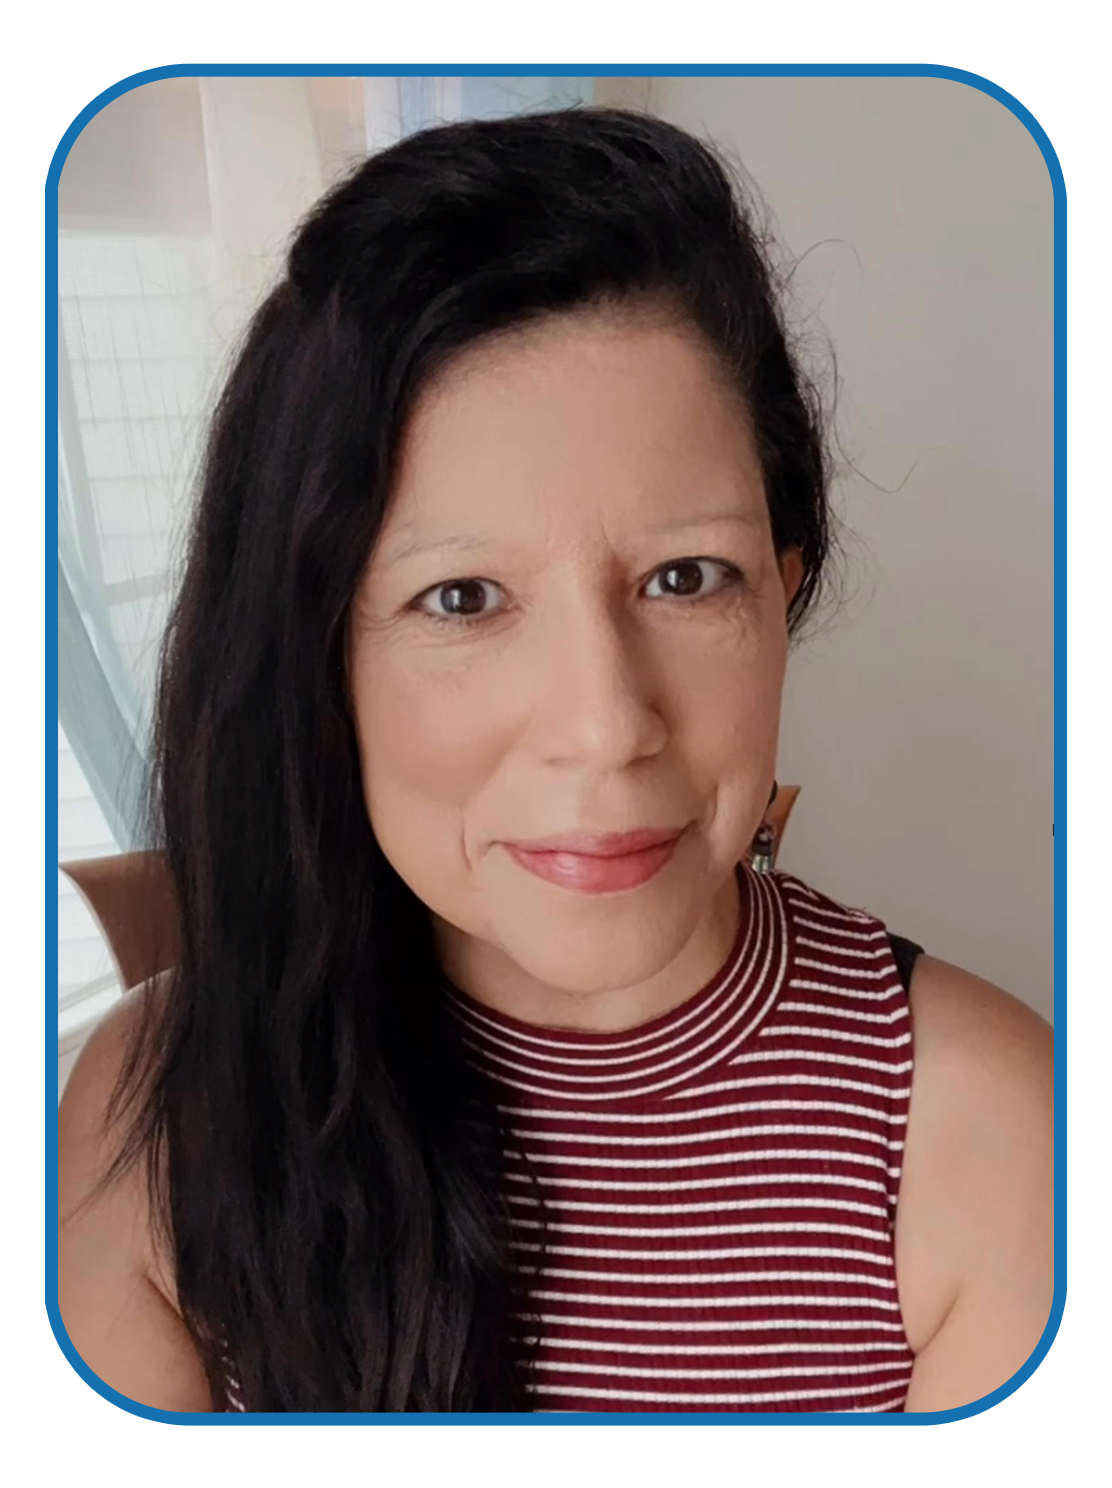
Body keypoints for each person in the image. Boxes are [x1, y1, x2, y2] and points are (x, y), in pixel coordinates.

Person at [57, 106, 1052, 1415]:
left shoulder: (989, 1136)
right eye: (462, 598)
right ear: (317, 656)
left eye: (687, 578)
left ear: (783, 591)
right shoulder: (156, 1120)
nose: (606, 723)